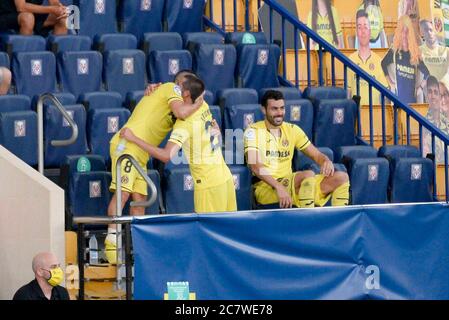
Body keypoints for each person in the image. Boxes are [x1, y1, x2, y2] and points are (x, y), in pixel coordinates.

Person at [104, 70, 204, 264]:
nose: (186, 90)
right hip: (127, 145)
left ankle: (137, 250)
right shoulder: (171, 88)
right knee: (122, 195)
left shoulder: (167, 96)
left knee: (140, 200)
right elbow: (181, 111)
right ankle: (111, 245)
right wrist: (200, 101)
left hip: (140, 152)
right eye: (187, 83)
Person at [120, 75, 237, 213]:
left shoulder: (184, 124)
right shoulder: (202, 104)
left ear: (186, 93)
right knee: (228, 230)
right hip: (225, 177)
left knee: (209, 232)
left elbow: (166, 156)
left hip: (208, 184)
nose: (175, 90)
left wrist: (134, 138)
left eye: (178, 87)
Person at [244, 90, 350, 209]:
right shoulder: (252, 131)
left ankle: (339, 220)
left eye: (282, 108)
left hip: (291, 185)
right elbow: (256, 167)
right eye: (274, 109)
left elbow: (316, 155)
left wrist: (325, 161)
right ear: (264, 110)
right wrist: (278, 187)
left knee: (341, 177)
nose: (279, 113)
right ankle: (308, 221)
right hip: (266, 187)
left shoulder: (292, 129)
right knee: (307, 175)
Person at [381, 15, 429, 104]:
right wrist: (390, 82)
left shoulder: (414, 53)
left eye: (406, 32)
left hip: (412, 103)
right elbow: (383, 64)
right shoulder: (394, 52)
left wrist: (420, 88)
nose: (404, 35)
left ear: (410, 34)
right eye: (402, 31)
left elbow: (427, 72)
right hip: (397, 101)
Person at [348, 10, 389, 104]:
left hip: (375, 115)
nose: (362, 31)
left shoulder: (379, 61)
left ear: (370, 32)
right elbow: (348, 93)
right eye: (359, 27)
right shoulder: (350, 60)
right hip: (356, 115)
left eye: (365, 27)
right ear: (356, 32)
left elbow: (385, 96)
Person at [0, 0, 68, 36]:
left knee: (61, 18)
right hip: (7, 14)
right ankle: (24, 58)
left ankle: (54, 59)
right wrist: (52, 9)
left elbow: (54, 2)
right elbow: (21, 7)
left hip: (32, 14)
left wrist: (60, 9)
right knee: (28, 18)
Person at [422, 75, 447, 163]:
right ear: (426, 95)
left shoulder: (447, 122)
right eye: (430, 92)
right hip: (435, 170)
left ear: (440, 97)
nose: (433, 96)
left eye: (436, 92)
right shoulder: (423, 124)